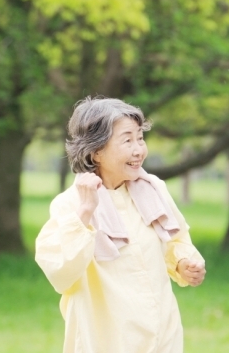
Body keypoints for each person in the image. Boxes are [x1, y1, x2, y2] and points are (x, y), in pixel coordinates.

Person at [35, 97, 206, 353]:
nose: (139, 150)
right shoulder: (70, 204)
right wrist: (85, 211)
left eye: (140, 138)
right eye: (127, 140)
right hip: (108, 339)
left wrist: (184, 263)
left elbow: (176, 239)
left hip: (162, 333)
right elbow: (60, 273)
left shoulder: (153, 189)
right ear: (96, 151)